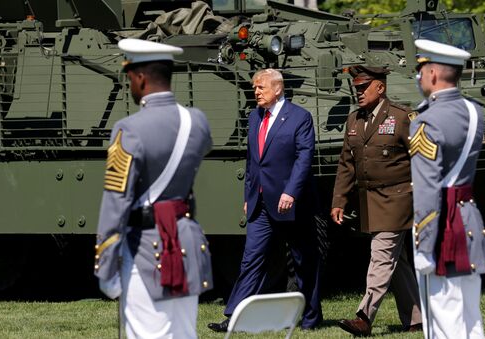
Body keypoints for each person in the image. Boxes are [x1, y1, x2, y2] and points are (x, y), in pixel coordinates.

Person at [94, 38, 213, 339]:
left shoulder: (128, 129)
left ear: (141, 77)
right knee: (185, 334)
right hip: (186, 242)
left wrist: (105, 268)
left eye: (130, 77)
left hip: (145, 249)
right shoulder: (197, 122)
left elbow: (115, 203)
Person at [208, 68, 322, 332]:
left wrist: (291, 192)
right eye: (254, 87)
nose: (255, 91)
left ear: (278, 89)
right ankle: (234, 317)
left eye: (261, 87)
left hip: (292, 203)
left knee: (303, 260)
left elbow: (304, 159)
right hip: (260, 204)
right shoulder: (254, 117)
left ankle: (311, 319)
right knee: (251, 259)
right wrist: (249, 195)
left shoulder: (300, 117)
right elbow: (253, 161)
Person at [331, 65, 422, 336]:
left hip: (398, 199)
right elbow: (346, 164)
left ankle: (364, 316)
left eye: (363, 87)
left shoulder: (403, 116)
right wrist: (339, 200)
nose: (358, 92)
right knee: (399, 262)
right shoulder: (354, 120)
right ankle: (417, 319)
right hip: (369, 201)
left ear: (380, 88)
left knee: (381, 257)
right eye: (356, 87)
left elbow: (424, 158)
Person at [410, 39, 485, 338]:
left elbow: (428, 187)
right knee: (471, 320)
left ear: (431, 75)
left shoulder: (427, 122)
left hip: (443, 231)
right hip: (469, 223)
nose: (418, 79)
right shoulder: (474, 111)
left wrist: (423, 245)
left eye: (420, 72)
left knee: (444, 322)